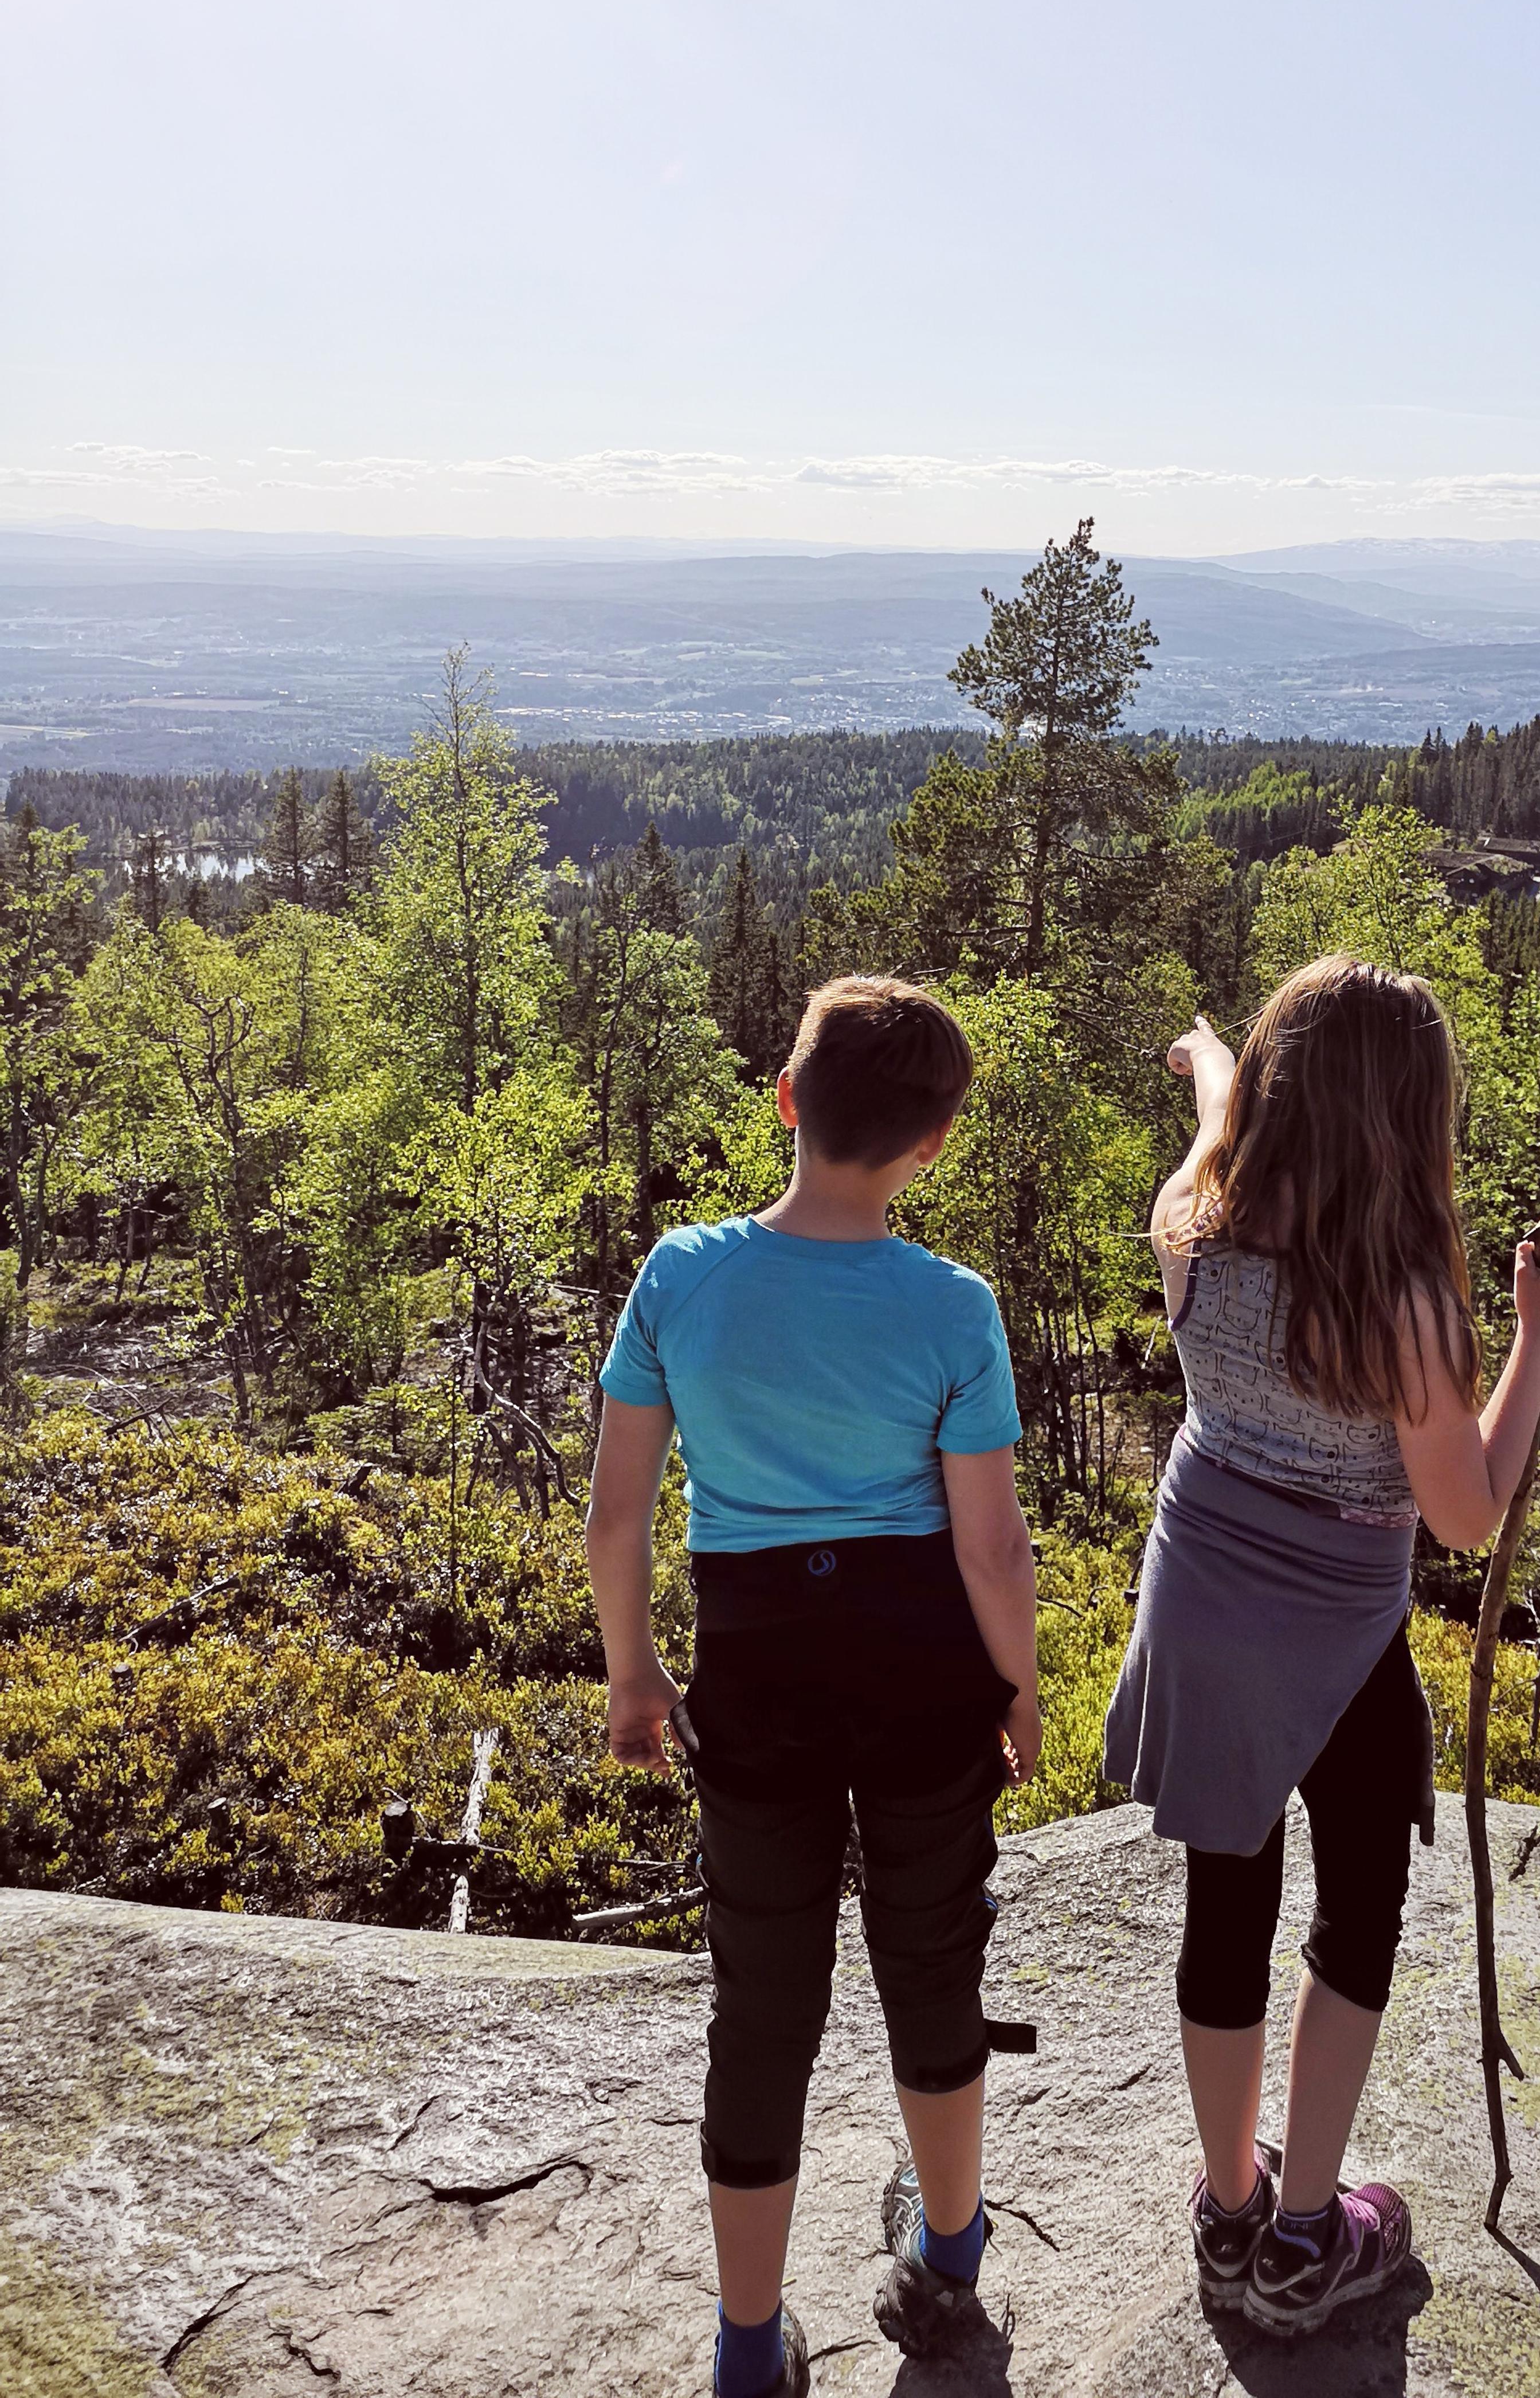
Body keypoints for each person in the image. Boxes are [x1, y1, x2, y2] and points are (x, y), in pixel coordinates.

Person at [1103, 954, 1540, 2338]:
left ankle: (1228, 2203)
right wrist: (1536, 1331)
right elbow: (1464, 1514)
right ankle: (1310, 2230)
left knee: (1225, 1905)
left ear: (1274, 1096)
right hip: (1344, 1626)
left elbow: (1214, 1138)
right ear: (1414, 1121)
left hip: (1202, 1593)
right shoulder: (1409, 1311)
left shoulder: (1189, 1222)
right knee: (1355, 1907)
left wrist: (1211, 1067)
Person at [587, 975, 1041, 2398]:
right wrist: (1019, 1688)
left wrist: (635, 1673)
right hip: (922, 1674)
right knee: (933, 1959)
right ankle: (948, 2259)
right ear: (937, 1143)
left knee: (764, 2006)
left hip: (758, 1669)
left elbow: (618, 1517)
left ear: (785, 1100)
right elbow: (988, 1539)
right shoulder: (954, 1307)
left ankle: (745, 2342)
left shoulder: (682, 1275)